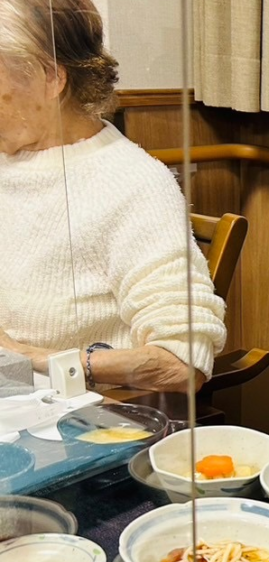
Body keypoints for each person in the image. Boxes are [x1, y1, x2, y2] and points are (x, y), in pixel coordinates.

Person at [0, 0, 226, 392]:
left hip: (80, 427)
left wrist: (29, 356)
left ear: (51, 76)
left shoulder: (132, 185)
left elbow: (182, 361)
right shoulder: (10, 158)